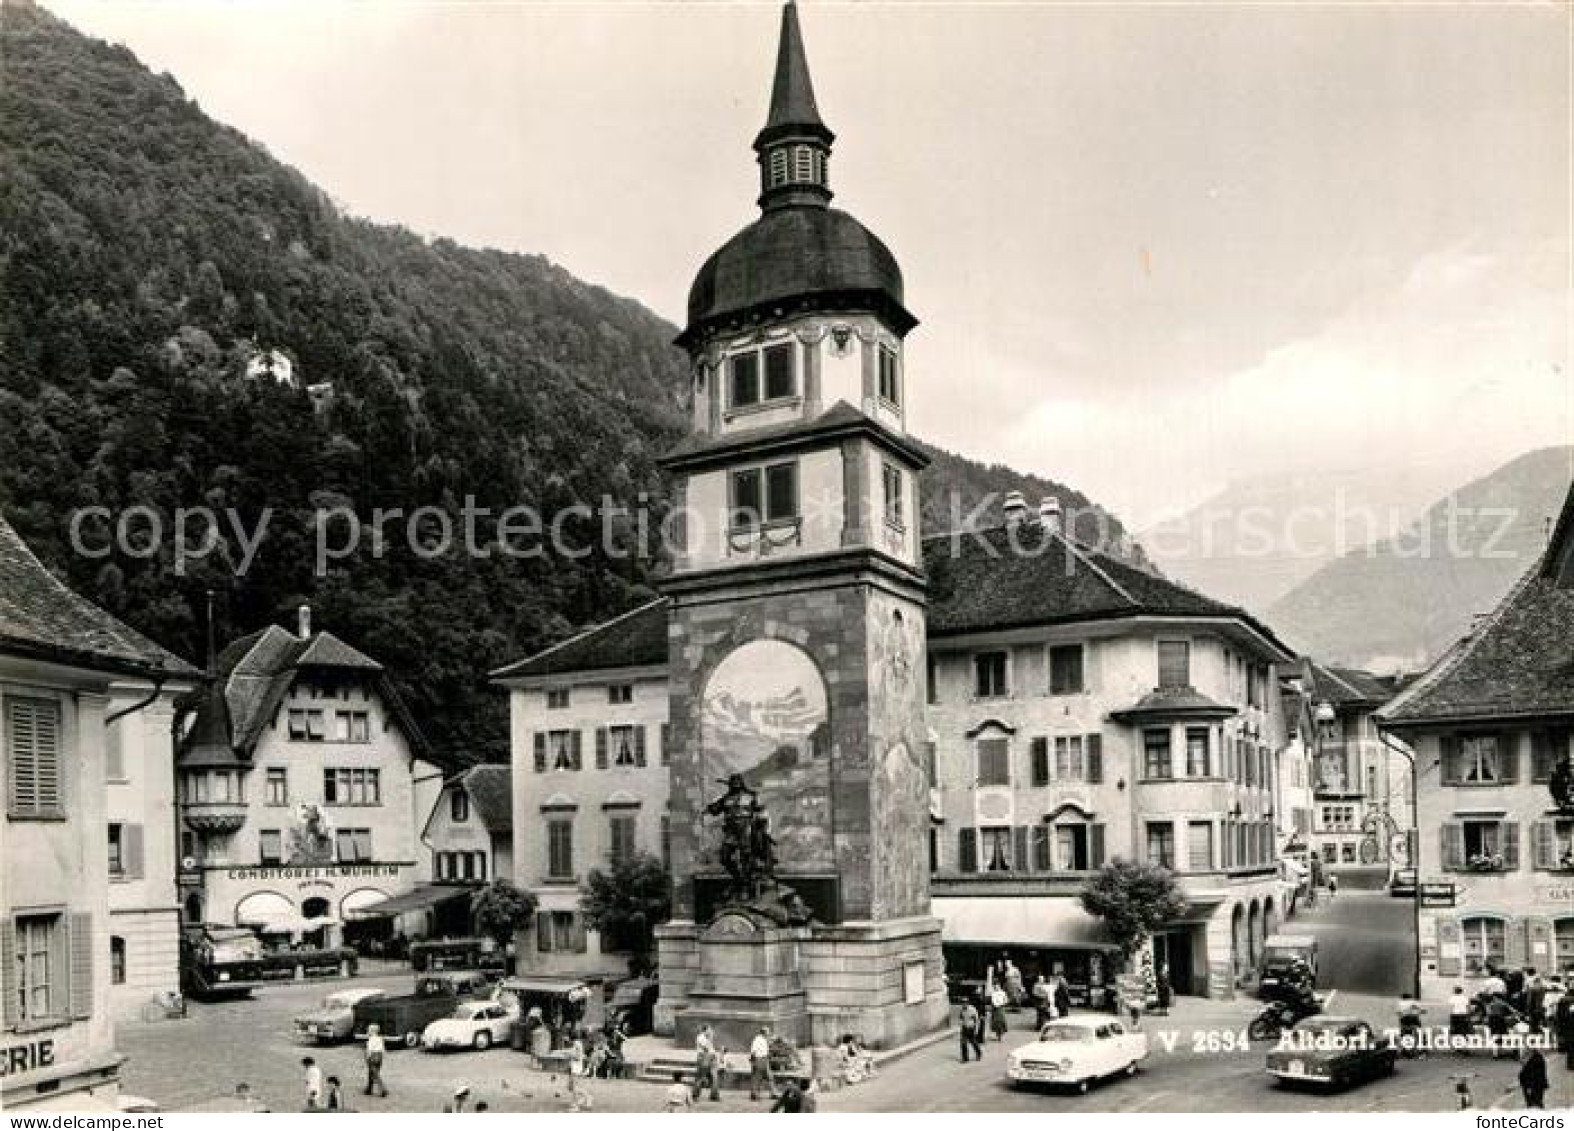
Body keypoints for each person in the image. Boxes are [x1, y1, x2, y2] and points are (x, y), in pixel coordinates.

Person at [692, 1025, 722, 1103]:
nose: (711, 1031)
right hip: (704, 1057)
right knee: (701, 1076)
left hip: (712, 1057)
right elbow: (706, 1048)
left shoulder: (707, 1038)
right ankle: (695, 1094)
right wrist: (710, 1038)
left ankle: (714, 1095)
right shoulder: (700, 1037)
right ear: (705, 1030)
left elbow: (711, 1049)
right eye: (709, 1030)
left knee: (714, 1077)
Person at [749, 1027, 776, 1101]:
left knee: (770, 1077)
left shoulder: (765, 1039)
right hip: (759, 1059)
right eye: (768, 1032)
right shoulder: (757, 1039)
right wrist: (753, 1061)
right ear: (763, 1032)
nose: (769, 1034)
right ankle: (754, 1095)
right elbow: (753, 1051)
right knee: (757, 1078)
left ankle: (773, 1093)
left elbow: (767, 1049)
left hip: (765, 1059)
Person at [363, 1023, 389, 1098]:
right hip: (379, 1057)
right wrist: (383, 1057)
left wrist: (367, 1057)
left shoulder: (370, 1040)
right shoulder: (380, 1039)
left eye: (368, 1030)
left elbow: (369, 1050)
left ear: (372, 1031)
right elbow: (383, 1049)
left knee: (374, 1074)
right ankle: (369, 1089)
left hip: (372, 1057)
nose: (367, 1031)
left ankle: (382, 1089)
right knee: (373, 1073)